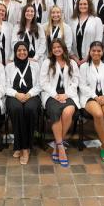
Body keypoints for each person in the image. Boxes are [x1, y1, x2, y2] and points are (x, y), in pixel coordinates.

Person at [40, 39, 80, 167]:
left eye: (59, 47)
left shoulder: (72, 62)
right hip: (51, 94)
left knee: (68, 111)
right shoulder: (47, 62)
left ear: (63, 48)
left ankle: (58, 144)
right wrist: (55, 95)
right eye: (54, 47)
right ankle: (61, 148)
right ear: (51, 50)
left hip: (68, 94)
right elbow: (43, 82)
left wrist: (66, 94)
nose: (57, 49)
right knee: (55, 111)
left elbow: (75, 81)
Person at [79, 41, 104, 166]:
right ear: (89, 52)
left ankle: (103, 146)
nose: (96, 53)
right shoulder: (84, 66)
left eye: (99, 51)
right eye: (93, 50)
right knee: (99, 114)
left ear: (103, 52)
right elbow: (82, 85)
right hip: (89, 97)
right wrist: (95, 96)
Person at [5, 42, 42, 165]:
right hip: (14, 95)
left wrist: (29, 94)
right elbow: (5, 86)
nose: (22, 52)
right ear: (15, 52)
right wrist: (16, 94)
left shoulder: (35, 65)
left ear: (28, 51)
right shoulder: (9, 67)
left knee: (30, 109)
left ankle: (25, 148)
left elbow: (39, 85)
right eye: (19, 50)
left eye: (24, 50)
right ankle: (19, 146)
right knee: (17, 110)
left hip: (31, 95)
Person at [69, 0, 103, 66]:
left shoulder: (96, 20)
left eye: (85, 4)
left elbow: (98, 41)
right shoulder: (72, 21)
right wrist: (74, 58)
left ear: (89, 5)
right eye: (80, 4)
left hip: (91, 58)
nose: (82, 6)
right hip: (75, 60)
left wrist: (88, 57)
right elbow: (69, 41)